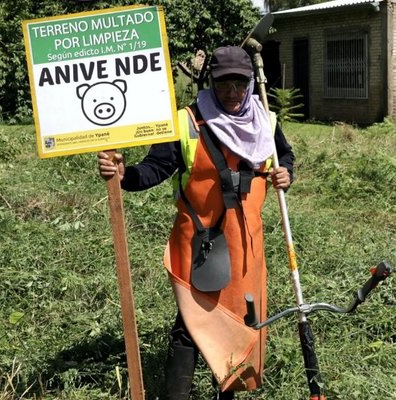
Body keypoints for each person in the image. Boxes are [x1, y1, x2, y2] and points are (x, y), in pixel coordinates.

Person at [98, 46, 294, 399]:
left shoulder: (266, 120)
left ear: (250, 83)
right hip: (199, 241)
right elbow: (154, 169)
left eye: (240, 84)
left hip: (247, 244)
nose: (232, 93)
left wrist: (286, 174)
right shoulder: (185, 122)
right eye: (223, 84)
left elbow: (285, 157)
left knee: (241, 319)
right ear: (210, 82)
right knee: (192, 322)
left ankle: (228, 391)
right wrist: (124, 175)